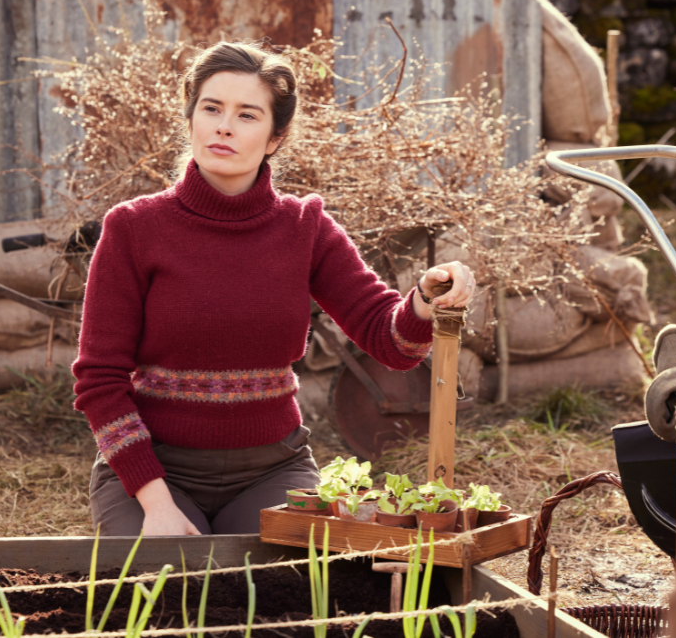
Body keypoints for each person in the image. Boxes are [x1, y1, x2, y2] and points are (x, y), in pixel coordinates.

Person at [72, 41, 476, 537]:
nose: (224, 125)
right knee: (161, 595)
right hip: (154, 471)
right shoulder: (134, 228)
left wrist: (425, 299)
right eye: (212, 108)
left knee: (282, 595)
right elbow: (99, 380)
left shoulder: (304, 227)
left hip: (271, 470)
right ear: (191, 118)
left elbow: (392, 344)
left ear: (274, 138)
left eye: (247, 115)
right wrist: (155, 504)